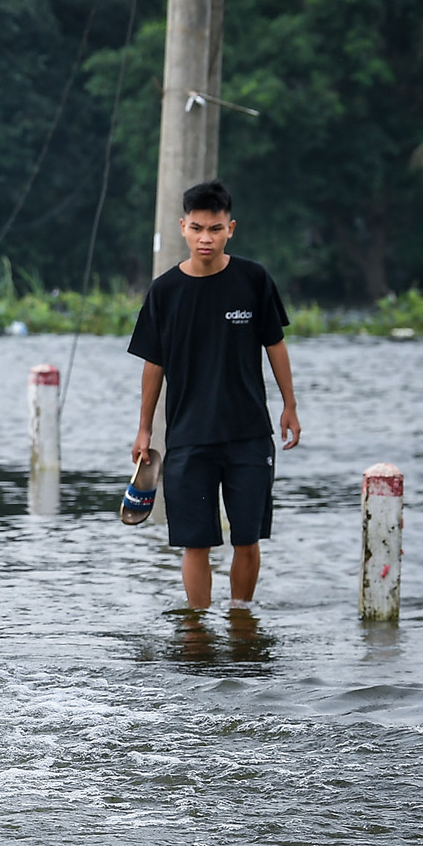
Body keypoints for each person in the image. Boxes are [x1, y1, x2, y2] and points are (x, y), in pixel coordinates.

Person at [128, 180, 301, 611]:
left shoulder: (253, 279)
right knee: (195, 542)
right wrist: (145, 429)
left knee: (247, 537)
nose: (207, 238)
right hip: (188, 438)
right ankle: (198, 628)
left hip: (249, 435)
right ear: (183, 227)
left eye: (216, 229)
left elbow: (275, 345)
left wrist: (290, 406)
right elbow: (154, 363)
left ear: (231, 229)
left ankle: (242, 621)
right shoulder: (164, 292)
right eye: (199, 228)